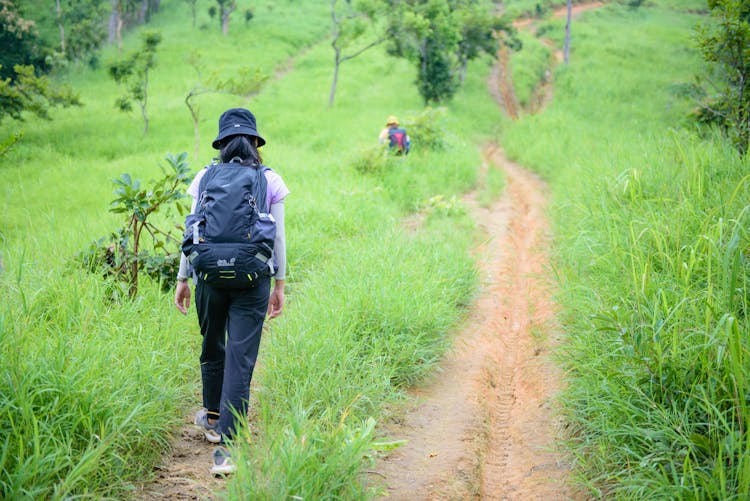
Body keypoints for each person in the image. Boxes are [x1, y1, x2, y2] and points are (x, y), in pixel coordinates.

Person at [174, 107, 289, 475]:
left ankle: (210, 416)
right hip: (254, 280)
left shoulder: (205, 176)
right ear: (256, 143)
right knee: (241, 359)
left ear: (222, 144)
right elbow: (279, 238)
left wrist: (182, 278)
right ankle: (227, 449)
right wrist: (280, 282)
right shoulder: (270, 180)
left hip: (207, 276)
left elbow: (191, 229)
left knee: (212, 345)